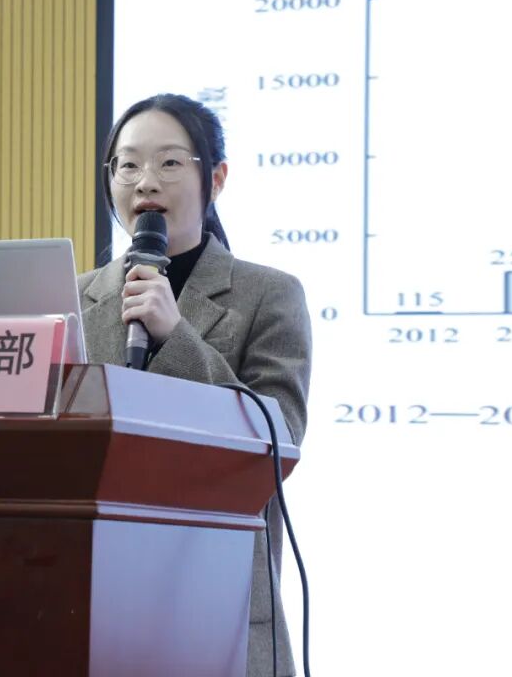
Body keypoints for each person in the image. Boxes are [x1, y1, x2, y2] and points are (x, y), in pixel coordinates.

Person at [78, 93, 313, 677]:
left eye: (169, 162)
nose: (145, 181)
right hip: (93, 598)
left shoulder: (269, 294)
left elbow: (278, 434)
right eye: (127, 165)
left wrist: (176, 334)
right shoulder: (77, 298)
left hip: (219, 600)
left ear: (217, 178)